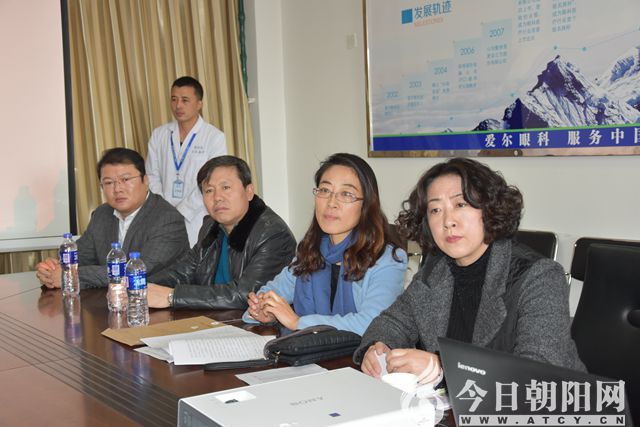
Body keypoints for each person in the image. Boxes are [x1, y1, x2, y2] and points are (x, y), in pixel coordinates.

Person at [356, 157, 584, 383]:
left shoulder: (540, 277)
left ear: (489, 208)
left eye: (460, 204)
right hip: (456, 402)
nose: (448, 221)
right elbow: (393, 322)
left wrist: (441, 367)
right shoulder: (436, 270)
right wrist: (378, 347)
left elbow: (538, 374)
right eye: (435, 210)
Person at [242, 153, 408, 336]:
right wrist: (264, 310)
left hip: (359, 353)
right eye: (324, 190)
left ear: (366, 205)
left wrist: (298, 322)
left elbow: (373, 324)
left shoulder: (387, 260)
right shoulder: (311, 250)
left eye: (346, 194)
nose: (331, 203)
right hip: (308, 350)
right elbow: (270, 293)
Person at [147, 155, 296, 309]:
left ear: (249, 191)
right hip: (213, 317)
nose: (217, 197)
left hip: (252, 322)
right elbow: (182, 272)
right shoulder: (211, 226)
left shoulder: (273, 234)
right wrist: (139, 287)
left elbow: (246, 295)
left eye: (226, 188)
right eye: (209, 190)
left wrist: (173, 296)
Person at [35, 148, 189, 289]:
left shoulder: (168, 219)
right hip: (111, 301)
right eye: (108, 183)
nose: (118, 189)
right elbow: (81, 257)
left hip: (156, 305)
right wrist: (53, 269)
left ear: (146, 180)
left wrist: (71, 275)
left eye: (126, 180)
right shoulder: (102, 214)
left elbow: (135, 271)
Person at [146, 76, 227, 246]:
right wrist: (164, 209)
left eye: (185, 100)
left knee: (196, 256)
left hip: (197, 216)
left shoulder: (214, 137)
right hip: (163, 216)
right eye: (174, 99)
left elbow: (211, 181)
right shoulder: (159, 135)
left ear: (199, 104)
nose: (178, 106)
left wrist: (182, 211)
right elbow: (152, 175)